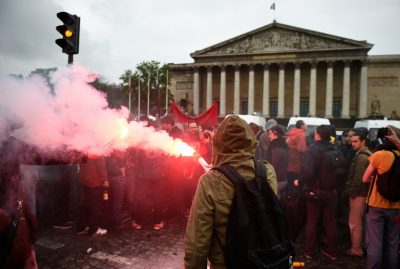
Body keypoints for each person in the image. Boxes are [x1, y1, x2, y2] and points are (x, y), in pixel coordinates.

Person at [184, 115, 277, 269]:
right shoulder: (268, 172)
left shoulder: (210, 181)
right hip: (263, 259)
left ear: (219, 143)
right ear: (250, 140)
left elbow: (197, 242)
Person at [294, 125, 339, 261]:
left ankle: (309, 251)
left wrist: (299, 181)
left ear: (318, 135)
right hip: (332, 190)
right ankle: (332, 252)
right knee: (330, 222)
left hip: (315, 190)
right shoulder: (335, 147)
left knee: (312, 220)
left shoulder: (313, 149)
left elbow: (308, 171)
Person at [362, 126, 400, 269]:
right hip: (397, 206)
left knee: (375, 243)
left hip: (376, 205)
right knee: (393, 243)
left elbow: (365, 179)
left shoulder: (380, 155)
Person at [344, 128, 371, 257]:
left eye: (355, 141)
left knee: (355, 223)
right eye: (352, 141)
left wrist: (351, 192)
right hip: (365, 194)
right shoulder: (368, 154)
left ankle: (356, 249)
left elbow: (358, 179)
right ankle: (363, 246)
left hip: (359, 194)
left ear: (363, 141)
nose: (352, 143)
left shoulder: (361, 157)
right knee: (363, 223)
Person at [76, 154, 109, 236]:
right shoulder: (97, 149)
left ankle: (81, 227)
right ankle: (94, 229)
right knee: (95, 206)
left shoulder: (82, 147)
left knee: (85, 204)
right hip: (95, 181)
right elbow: (101, 166)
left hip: (83, 179)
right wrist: (104, 179)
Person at [266, 124, 289, 199]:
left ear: (276, 134)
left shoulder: (276, 150)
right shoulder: (283, 146)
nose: (268, 136)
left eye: (270, 134)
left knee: (273, 201)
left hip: (276, 181)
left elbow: (272, 167)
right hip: (282, 179)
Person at [286, 120, 307, 186]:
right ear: (301, 126)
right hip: (296, 162)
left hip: (288, 161)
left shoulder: (291, 133)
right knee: (295, 183)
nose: (307, 126)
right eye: (305, 124)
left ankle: (288, 195)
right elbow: (301, 149)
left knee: (289, 181)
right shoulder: (301, 134)